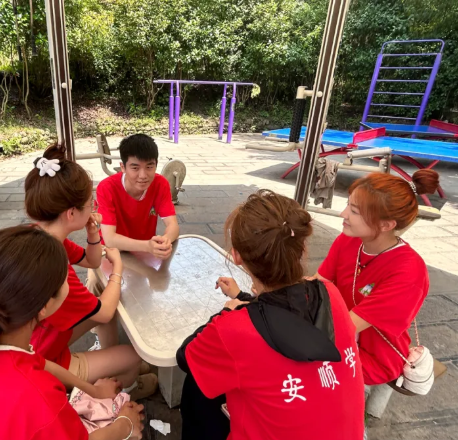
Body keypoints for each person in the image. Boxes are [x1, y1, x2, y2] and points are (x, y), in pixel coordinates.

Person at [0, 226, 145, 440]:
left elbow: (36, 362)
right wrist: (126, 424)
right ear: (44, 305)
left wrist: (93, 390)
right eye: (66, 277)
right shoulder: (39, 397)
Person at [176, 190, 365, 440]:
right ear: (302, 248)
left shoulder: (231, 329)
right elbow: (287, 316)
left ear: (237, 256)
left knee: (197, 386)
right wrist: (245, 298)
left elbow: (185, 357)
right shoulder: (331, 293)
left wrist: (227, 311)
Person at [24, 145, 157, 401]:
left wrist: (93, 233)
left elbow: (91, 260)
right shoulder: (55, 267)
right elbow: (104, 311)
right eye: (90, 203)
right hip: (40, 359)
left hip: (42, 334)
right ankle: (126, 390)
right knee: (132, 354)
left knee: (102, 302)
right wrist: (118, 270)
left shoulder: (43, 235)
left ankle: (112, 363)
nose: (94, 207)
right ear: (71, 213)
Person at [313, 170, 439, 386]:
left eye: (354, 211)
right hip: (336, 333)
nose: (343, 214)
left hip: (373, 357)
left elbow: (345, 328)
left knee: (289, 365)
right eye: (348, 205)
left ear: (386, 225)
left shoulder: (408, 273)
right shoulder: (350, 239)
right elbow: (318, 283)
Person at [96, 134, 180, 260]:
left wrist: (165, 241)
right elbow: (109, 239)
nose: (143, 175)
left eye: (149, 167)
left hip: (144, 251)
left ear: (156, 165)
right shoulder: (106, 187)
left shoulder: (160, 184)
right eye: (135, 168)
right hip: (112, 251)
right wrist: (148, 246)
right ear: (123, 167)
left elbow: (173, 225)